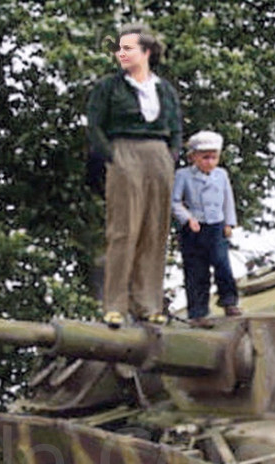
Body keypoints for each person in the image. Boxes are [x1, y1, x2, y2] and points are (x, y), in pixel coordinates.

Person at [86, 23, 182, 328]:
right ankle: (115, 305)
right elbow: (94, 126)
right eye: (119, 49)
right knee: (123, 232)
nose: (121, 53)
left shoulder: (164, 89)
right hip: (124, 151)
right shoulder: (109, 87)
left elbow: (176, 127)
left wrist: (171, 155)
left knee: (154, 232)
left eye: (128, 48)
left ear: (147, 52)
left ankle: (149, 304)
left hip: (159, 155)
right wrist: (113, 157)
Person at [172, 130, 240, 326]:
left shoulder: (221, 175)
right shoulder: (183, 175)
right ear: (193, 157)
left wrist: (229, 222)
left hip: (216, 225)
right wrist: (187, 218)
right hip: (194, 228)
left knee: (222, 265)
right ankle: (198, 312)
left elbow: (228, 200)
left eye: (214, 157)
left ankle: (229, 301)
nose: (209, 162)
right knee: (196, 270)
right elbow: (175, 201)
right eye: (205, 157)